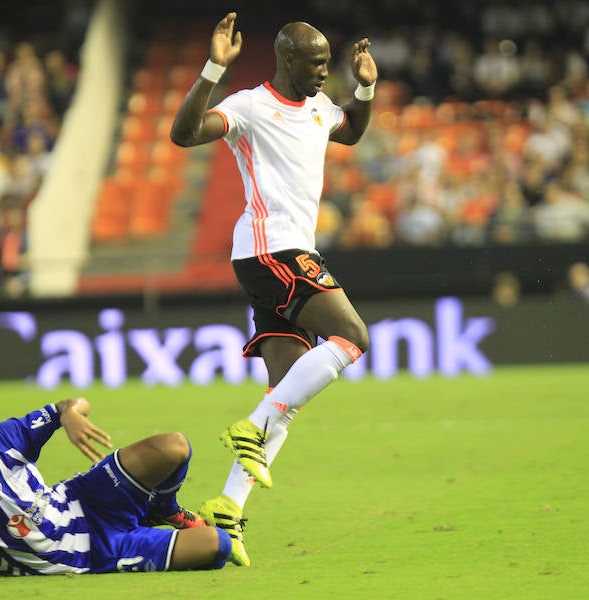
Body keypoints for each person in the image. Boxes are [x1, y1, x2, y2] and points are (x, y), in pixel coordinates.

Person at [170, 12, 376, 566]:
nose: (322, 73)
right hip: (271, 248)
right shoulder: (248, 105)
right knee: (353, 336)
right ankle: (252, 427)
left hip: (283, 252)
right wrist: (215, 66)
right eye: (315, 64)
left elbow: (351, 130)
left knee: (286, 389)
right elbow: (184, 133)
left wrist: (365, 84)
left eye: (327, 64)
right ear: (287, 60)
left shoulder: (319, 107)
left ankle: (229, 507)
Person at [0, 397, 234, 584]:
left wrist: (69, 414)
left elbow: (71, 402)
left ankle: (162, 508)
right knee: (217, 544)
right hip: (87, 551)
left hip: (82, 497)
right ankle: (142, 530)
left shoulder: (4, 436)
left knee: (174, 445)